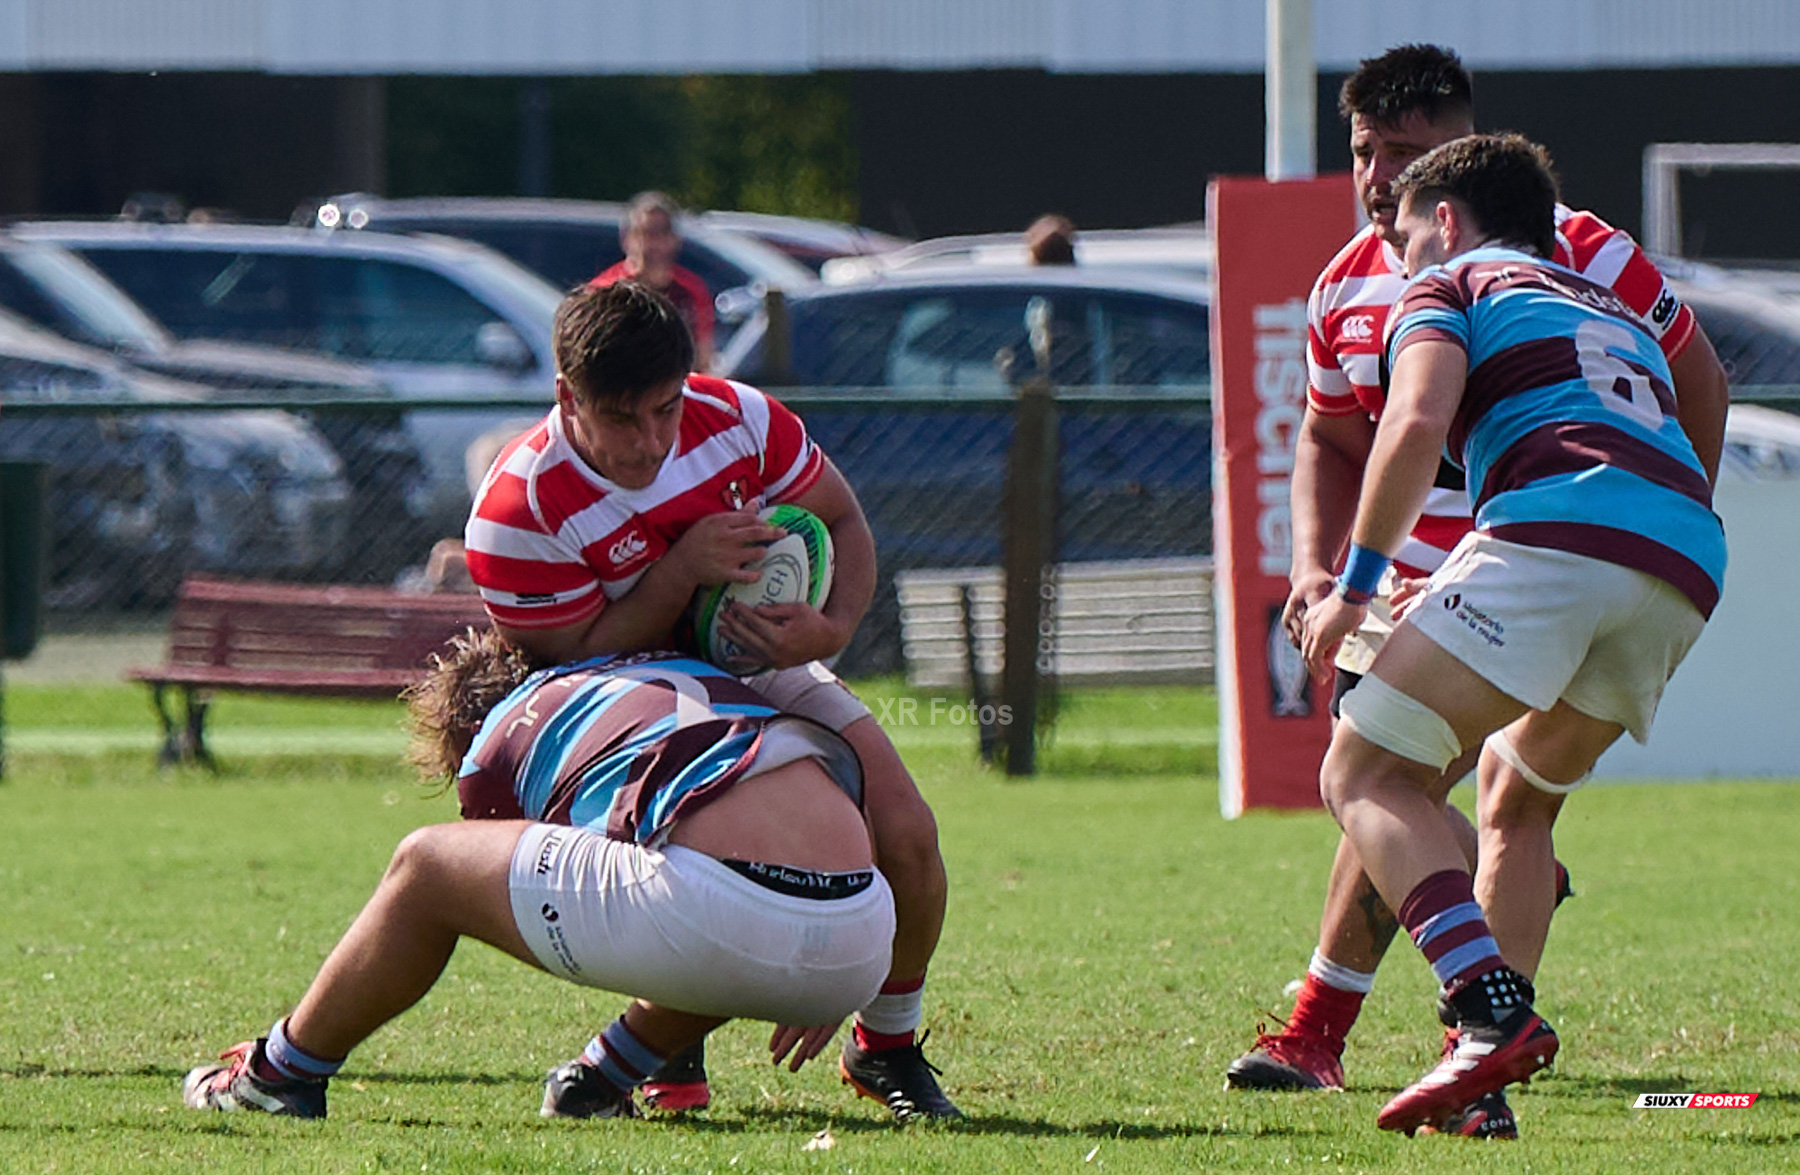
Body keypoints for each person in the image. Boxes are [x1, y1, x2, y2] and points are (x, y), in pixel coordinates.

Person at [1224, 43, 1729, 1140]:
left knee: (1370, 766)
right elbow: (1329, 433)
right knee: (1488, 793)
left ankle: (1411, 1019)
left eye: (1405, 162)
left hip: (1529, 548)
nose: (1379, 185)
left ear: (1453, 179)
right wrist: (1671, 510)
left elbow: (1407, 427)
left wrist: (1350, 585)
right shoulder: (1380, 277)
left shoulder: (1466, 264)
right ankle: (1474, 1073)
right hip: (1668, 563)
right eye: (1366, 154)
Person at [461, 281, 961, 1121]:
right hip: (621, 699)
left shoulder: (738, 418)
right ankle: (638, 1052)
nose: (650, 439)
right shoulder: (518, 508)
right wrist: (683, 568)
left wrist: (823, 628)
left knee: (907, 831)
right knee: (715, 875)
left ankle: (887, 1047)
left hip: (757, 664)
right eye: (622, 419)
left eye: (664, 410)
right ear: (566, 396)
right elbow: (583, 656)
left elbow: (842, 518)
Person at [181, 633, 894, 1120]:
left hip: (729, 911)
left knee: (425, 867)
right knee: (685, 893)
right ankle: (602, 1075)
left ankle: (275, 1075)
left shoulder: (503, 728)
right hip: (862, 926)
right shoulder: (671, 670)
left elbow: (480, 869)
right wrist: (823, 945)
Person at [590, 191, 716, 371]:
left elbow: (703, 358)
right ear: (627, 239)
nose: (654, 242)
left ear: (675, 239)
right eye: (645, 233)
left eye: (662, 231)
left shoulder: (692, 291)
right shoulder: (604, 292)